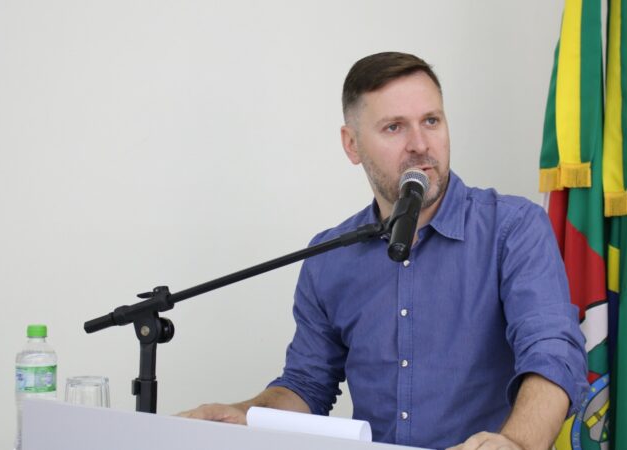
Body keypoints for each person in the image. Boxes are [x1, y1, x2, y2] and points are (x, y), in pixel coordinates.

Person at [179, 52, 588, 450]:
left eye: (431, 120)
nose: (420, 144)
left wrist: (515, 443)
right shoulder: (329, 256)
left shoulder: (513, 228)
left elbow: (552, 353)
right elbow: (307, 386)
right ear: (352, 144)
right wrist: (244, 415)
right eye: (394, 127)